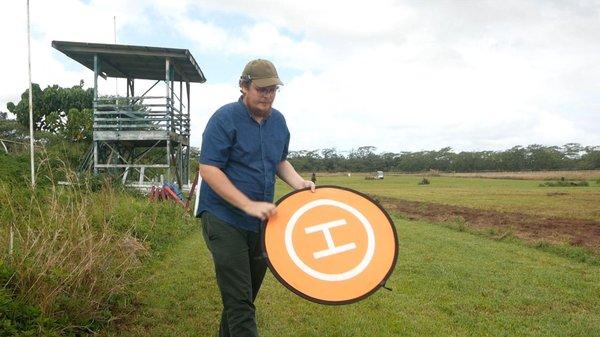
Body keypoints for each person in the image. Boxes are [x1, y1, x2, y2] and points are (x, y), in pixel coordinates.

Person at [197, 59, 315, 337]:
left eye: (272, 90)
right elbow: (208, 168)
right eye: (261, 89)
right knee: (240, 303)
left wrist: (299, 183)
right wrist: (247, 204)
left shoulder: (279, 122)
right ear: (243, 86)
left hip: (261, 225)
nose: (267, 95)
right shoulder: (224, 119)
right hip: (224, 219)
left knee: (243, 298)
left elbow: (280, 161)